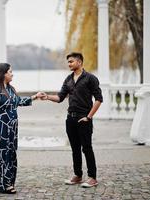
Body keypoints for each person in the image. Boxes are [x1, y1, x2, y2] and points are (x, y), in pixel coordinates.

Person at [41, 52, 103, 188]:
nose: (69, 64)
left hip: (84, 118)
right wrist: (47, 97)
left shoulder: (90, 78)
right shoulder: (68, 79)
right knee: (75, 149)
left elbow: (99, 99)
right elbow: (60, 98)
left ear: (79, 62)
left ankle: (92, 177)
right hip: (70, 119)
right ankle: (78, 175)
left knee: (87, 148)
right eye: (68, 62)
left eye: (71, 61)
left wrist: (88, 117)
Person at [0, 63, 44, 194]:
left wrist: (35, 97)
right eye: (10, 72)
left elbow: (18, 102)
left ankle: (8, 181)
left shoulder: (10, 89)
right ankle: (3, 185)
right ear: (3, 73)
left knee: (10, 154)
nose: (12, 74)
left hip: (11, 129)